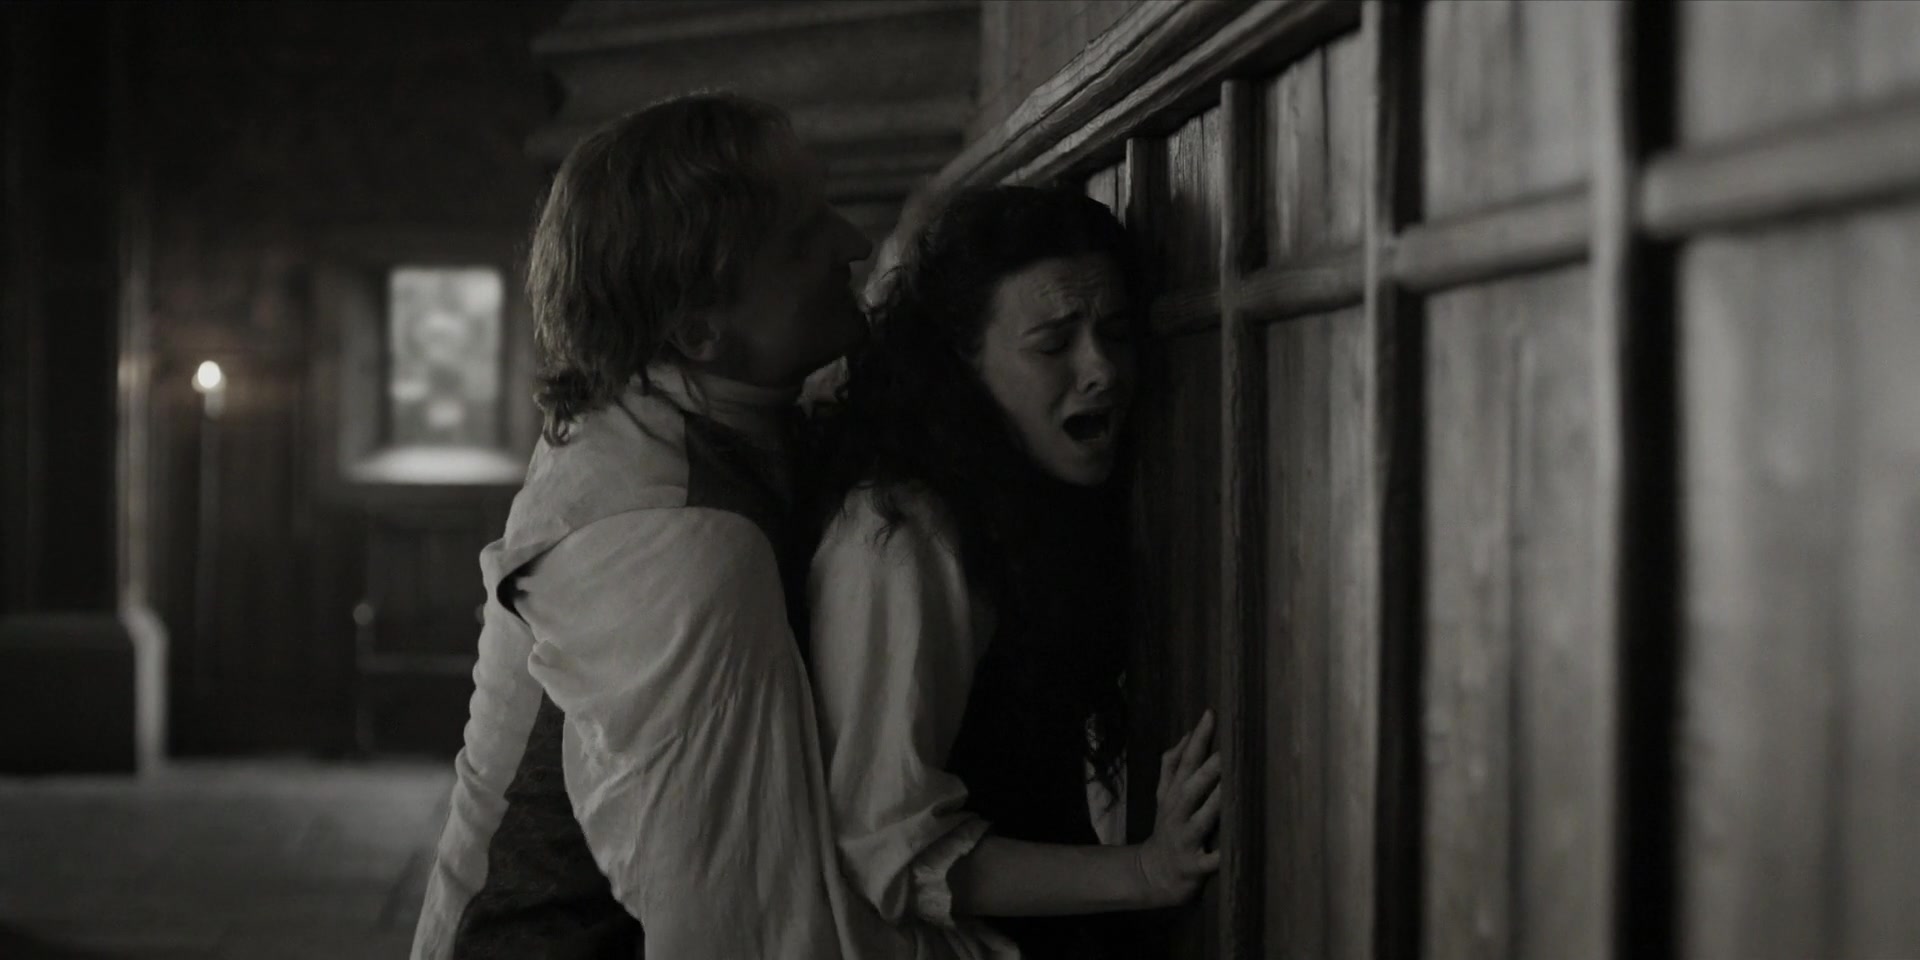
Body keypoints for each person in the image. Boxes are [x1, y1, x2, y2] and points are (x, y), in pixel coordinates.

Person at [412, 92, 903, 959]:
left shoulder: (674, 412)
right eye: (802, 240)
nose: (854, 243)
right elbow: (740, 929)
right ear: (697, 329)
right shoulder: (675, 543)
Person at [804, 184, 1224, 959]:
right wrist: (1142, 871)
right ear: (962, 364)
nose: (1102, 370)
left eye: (1117, 333)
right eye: (1053, 344)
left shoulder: (1029, 493)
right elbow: (885, 844)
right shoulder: (902, 532)